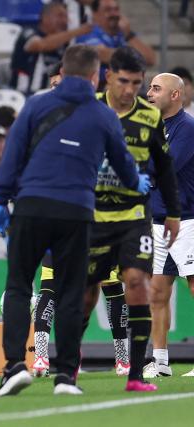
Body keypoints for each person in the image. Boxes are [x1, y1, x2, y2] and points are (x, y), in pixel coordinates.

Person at [0, 44, 144, 397]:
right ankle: (65, 377)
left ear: (63, 72)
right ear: (95, 76)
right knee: (72, 292)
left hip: (30, 205)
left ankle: (14, 367)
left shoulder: (35, 104)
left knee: (18, 286)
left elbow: (12, 154)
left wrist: (1, 201)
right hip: (76, 211)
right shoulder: (104, 114)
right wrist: (139, 183)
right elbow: (123, 165)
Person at [28, 46, 181, 393]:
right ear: (109, 77)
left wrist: (171, 212)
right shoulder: (86, 109)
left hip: (133, 217)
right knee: (84, 295)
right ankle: (68, 369)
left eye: (137, 83)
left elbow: (165, 166)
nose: (130, 90)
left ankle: (135, 374)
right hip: (90, 217)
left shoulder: (150, 116)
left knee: (137, 283)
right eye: (123, 81)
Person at [144, 73, 194, 379]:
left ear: (175, 95)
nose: (148, 93)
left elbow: (166, 168)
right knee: (158, 293)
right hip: (160, 222)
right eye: (150, 87)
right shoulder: (155, 126)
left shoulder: (187, 128)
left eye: (156, 88)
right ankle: (160, 361)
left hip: (189, 220)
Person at [11, 1, 92, 95]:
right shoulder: (28, 32)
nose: (64, 21)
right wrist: (78, 31)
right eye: (60, 16)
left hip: (53, 96)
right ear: (45, 17)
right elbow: (39, 45)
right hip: (23, 95)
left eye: (66, 17)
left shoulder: (63, 43)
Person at [77, 0, 155, 83]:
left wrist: (129, 35)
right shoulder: (88, 32)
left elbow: (151, 59)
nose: (114, 14)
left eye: (116, 9)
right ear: (95, 14)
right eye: (108, 10)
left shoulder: (124, 34)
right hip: (100, 87)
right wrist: (137, 57)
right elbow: (104, 54)